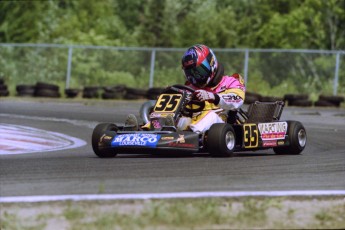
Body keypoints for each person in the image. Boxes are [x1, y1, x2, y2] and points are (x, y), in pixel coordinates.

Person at [176, 44, 246, 133]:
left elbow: (238, 100)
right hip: (194, 123)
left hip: (222, 128)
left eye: (199, 71)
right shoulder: (189, 88)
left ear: (211, 63)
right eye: (191, 73)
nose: (196, 76)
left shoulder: (230, 82)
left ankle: (190, 135)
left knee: (211, 117)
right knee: (177, 119)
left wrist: (214, 97)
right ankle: (159, 130)